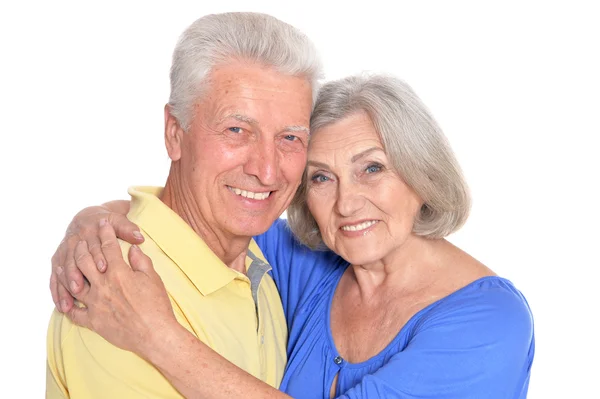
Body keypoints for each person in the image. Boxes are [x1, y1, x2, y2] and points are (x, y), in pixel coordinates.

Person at [51, 73, 535, 398]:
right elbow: (190, 219)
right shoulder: (306, 262)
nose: (346, 203)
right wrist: (92, 222)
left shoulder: (491, 324)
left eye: (372, 168)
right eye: (322, 177)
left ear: (421, 173)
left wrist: (158, 337)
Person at [45, 11, 323, 398]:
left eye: (290, 138)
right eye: (237, 130)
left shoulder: (260, 267)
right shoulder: (114, 287)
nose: (267, 170)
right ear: (174, 133)